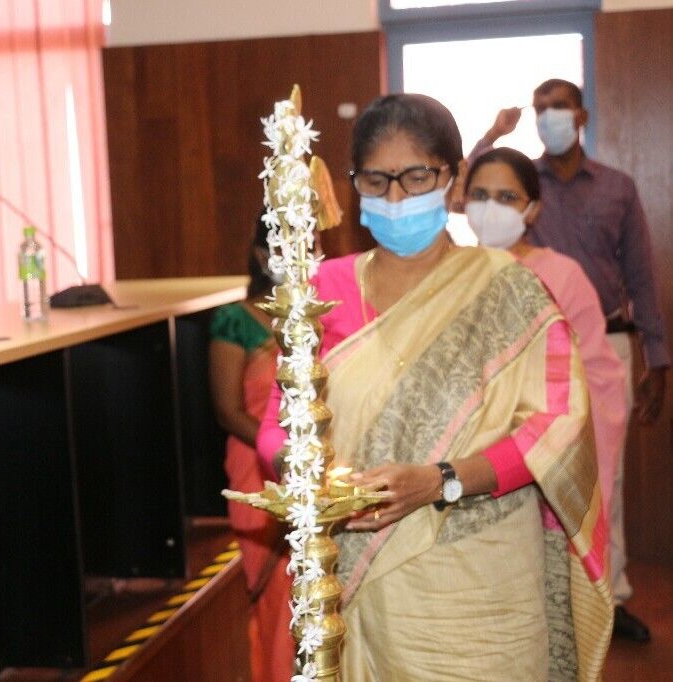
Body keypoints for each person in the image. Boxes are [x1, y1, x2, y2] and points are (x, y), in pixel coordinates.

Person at [257, 93, 612, 680]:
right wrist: (311, 481)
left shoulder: (509, 290)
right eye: (376, 180)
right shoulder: (321, 291)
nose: (396, 198)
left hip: (481, 589)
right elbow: (279, 419)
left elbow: (557, 426)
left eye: (417, 177)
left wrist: (441, 480)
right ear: (355, 186)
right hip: (358, 585)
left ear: (453, 178)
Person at [473, 78, 669, 642]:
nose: (547, 116)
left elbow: (641, 273)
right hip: (518, 366)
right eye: (539, 108)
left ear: (580, 115)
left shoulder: (616, 187)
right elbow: (464, 192)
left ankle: (608, 595)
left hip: (602, 341)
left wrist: (657, 358)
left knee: (605, 480)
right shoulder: (516, 180)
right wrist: (492, 134)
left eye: (557, 107)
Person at [464, 145, 626, 522]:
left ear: (533, 209)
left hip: (548, 448)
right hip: (468, 457)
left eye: (507, 197)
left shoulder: (563, 275)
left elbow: (595, 374)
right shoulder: (453, 274)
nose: (491, 208)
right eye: (479, 195)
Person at [209, 215, 294, 682]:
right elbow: (227, 411)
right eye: (287, 246)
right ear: (262, 256)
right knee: (276, 599)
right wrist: (280, 454)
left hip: (313, 466)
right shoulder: (235, 321)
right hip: (258, 470)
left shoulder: (319, 316)